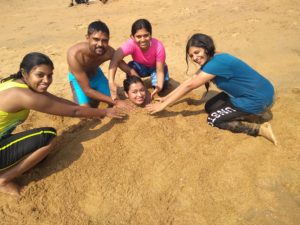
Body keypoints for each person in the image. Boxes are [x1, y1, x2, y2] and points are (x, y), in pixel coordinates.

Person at [0, 52, 125, 196]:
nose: (46, 80)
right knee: (48, 136)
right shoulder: (23, 96)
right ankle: (3, 180)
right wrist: (104, 113)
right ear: (24, 72)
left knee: (40, 156)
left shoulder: (14, 84)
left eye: (50, 75)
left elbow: (57, 100)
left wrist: (88, 111)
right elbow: (74, 112)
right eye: (40, 75)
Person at [146, 33, 277, 145]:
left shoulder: (216, 64)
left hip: (257, 99)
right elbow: (190, 81)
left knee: (213, 119)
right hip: (262, 92)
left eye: (197, 52)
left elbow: (190, 86)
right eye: (191, 56)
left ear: (206, 48)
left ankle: (258, 129)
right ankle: (251, 113)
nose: (195, 58)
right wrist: (165, 98)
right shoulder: (215, 58)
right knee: (210, 107)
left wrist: (163, 106)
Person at [67, 20, 134, 109]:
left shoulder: (108, 51)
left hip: (97, 76)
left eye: (104, 40)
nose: (100, 44)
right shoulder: (75, 55)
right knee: (85, 111)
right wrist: (116, 102)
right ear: (87, 38)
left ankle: (95, 95)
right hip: (78, 81)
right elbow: (87, 90)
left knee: (115, 97)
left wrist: (142, 86)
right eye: (96, 39)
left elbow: (128, 69)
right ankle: (81, 97)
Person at [108, 18, 169, 101]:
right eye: (138, 36)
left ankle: (158, 84)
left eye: (146, 35)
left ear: (151, 35)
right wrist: (111, 82)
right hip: (141, 68)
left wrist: (159, 86)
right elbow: (115, 58)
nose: (143, 40)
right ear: (132, 37)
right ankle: (136, 85)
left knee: (162, 89)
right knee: (131, 65)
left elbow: (160, 70)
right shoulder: (130, 44)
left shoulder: (158, 46)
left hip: (156, 68)